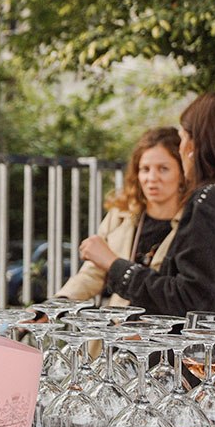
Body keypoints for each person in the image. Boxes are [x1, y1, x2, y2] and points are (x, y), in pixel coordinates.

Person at [84, 92, 215, 330]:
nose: (182, 147)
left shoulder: (211, 199)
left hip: (212, 362)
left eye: (184, 138)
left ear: (196, 146)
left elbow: (190, 301)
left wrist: (117, 267)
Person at [57, 127, 187, 306]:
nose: (152, 178)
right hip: (119, 327)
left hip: (162, 329)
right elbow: (94, 273)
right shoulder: (121, 213)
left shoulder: (192, 221)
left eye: (163, 169)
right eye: (145, 169)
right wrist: (57, 304)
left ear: (182, 174)